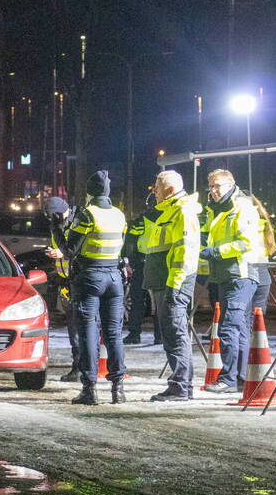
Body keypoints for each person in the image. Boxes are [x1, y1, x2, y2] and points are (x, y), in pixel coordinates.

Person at [51, 170, 127, 405]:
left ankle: (89, 389)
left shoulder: (87, 215)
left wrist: (56, 229)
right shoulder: (119, 215)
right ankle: (118, 389)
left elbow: (69, 250)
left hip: (90, 278)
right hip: (114, 278)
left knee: (89, 333)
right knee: (114, 334)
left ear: (89, 192)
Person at [200, 169, 263, 394]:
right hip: (227, 275)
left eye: (218, 186)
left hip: (240, 274)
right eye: (211, 186)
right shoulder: (217, 209)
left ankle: (228, 379)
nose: (213, 191)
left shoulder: (241, 206)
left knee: (230, 327)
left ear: (231, 184)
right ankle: (240, 378)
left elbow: (246, 243)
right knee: (239, 328)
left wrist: (215, 252)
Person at [141, 171, 201, 401]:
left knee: (176, 335)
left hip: (173, 284)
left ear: (170, 190)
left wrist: (175, 286)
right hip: (165, 283)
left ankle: (181, 386)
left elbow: (184, 253)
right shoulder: (170, 211)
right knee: (171, 334)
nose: (154, 191)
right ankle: (180, 385)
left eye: (157, 186)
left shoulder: (182, 212)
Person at [43, 196, 81, 382]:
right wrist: (53, 252)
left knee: (79, 327)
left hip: (79, 279)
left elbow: (80, 251)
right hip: (66, 280)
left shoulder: (78, 223)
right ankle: (79, 367)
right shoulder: (57, 224)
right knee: (73, 326)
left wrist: (62, 253)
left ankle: (81, 368)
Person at [122, 190, 163, 346]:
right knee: (159, 302)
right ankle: (160, 336)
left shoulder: (140, 221)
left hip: (142, 263)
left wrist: (131, 262)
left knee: (138, 301)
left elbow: (130, 243)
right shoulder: (169, 219)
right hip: (160, 264)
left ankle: (134, 334)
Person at [250, 195, 276, 315]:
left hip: (248, 276)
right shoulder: (265, 226)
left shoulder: (245, 227)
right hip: (263, 276)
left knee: (243, 320)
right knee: (258, 320)